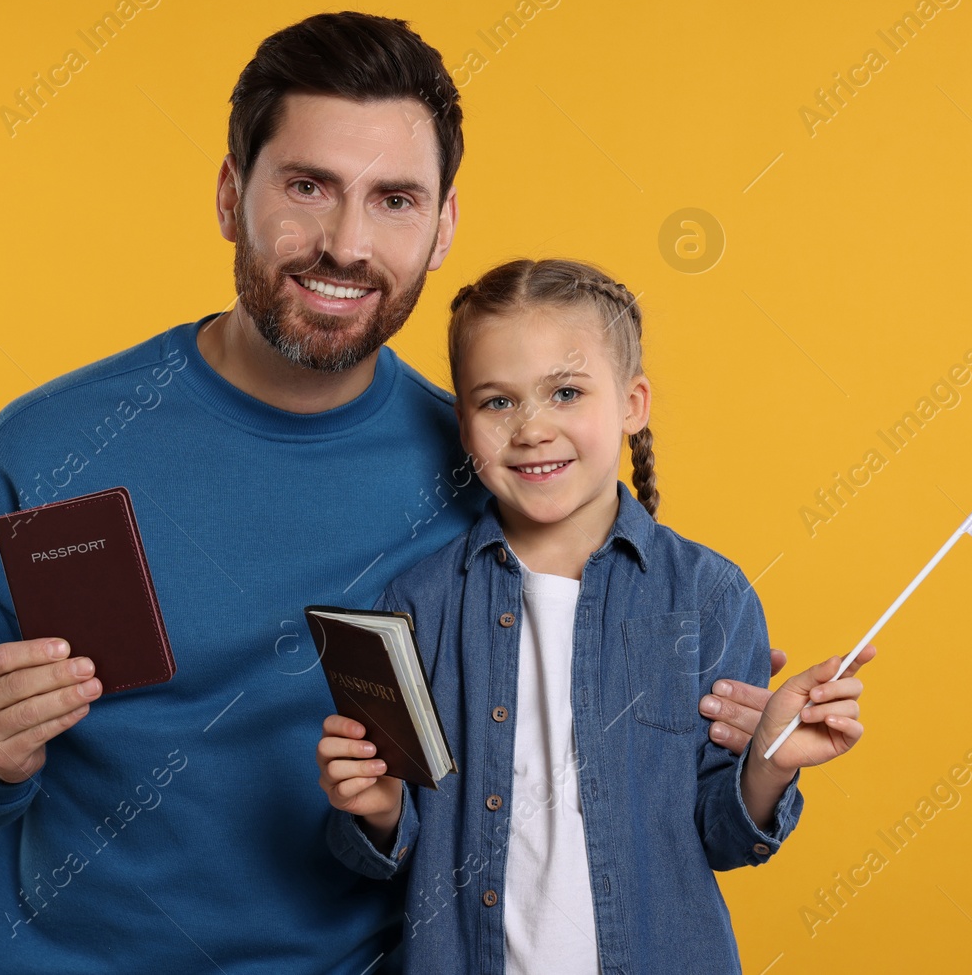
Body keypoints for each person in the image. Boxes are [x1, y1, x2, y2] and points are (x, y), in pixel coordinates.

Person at [0, 12, 777, 973]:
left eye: (394, 199)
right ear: (231, 195)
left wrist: (728, 718)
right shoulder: (48, 449)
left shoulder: (489, 473)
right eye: (308, 187)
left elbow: (598, 680)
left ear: (442, 227)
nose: (346, 243)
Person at [317, 258, 876, 973]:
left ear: (633, 403)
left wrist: (767, 760)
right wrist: (377, 804)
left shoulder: (709, 596)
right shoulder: (416, 605)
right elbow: (389, 851)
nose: (531, 428)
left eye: (566, 391)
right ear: (463, 425)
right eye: (497, 402)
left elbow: (725, 836)